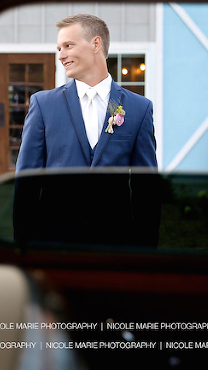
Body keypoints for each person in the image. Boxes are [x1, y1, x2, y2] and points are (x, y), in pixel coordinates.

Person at [13, 14, 159, 247]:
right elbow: (26, 185)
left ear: (96, 44)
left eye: (68, 46)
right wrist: (23, 248)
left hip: (115, 246)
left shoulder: (138, 108)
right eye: (59, 48)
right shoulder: (43, 105)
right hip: (53, 244)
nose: (61, 55)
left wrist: (146, 253)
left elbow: (146, 190)